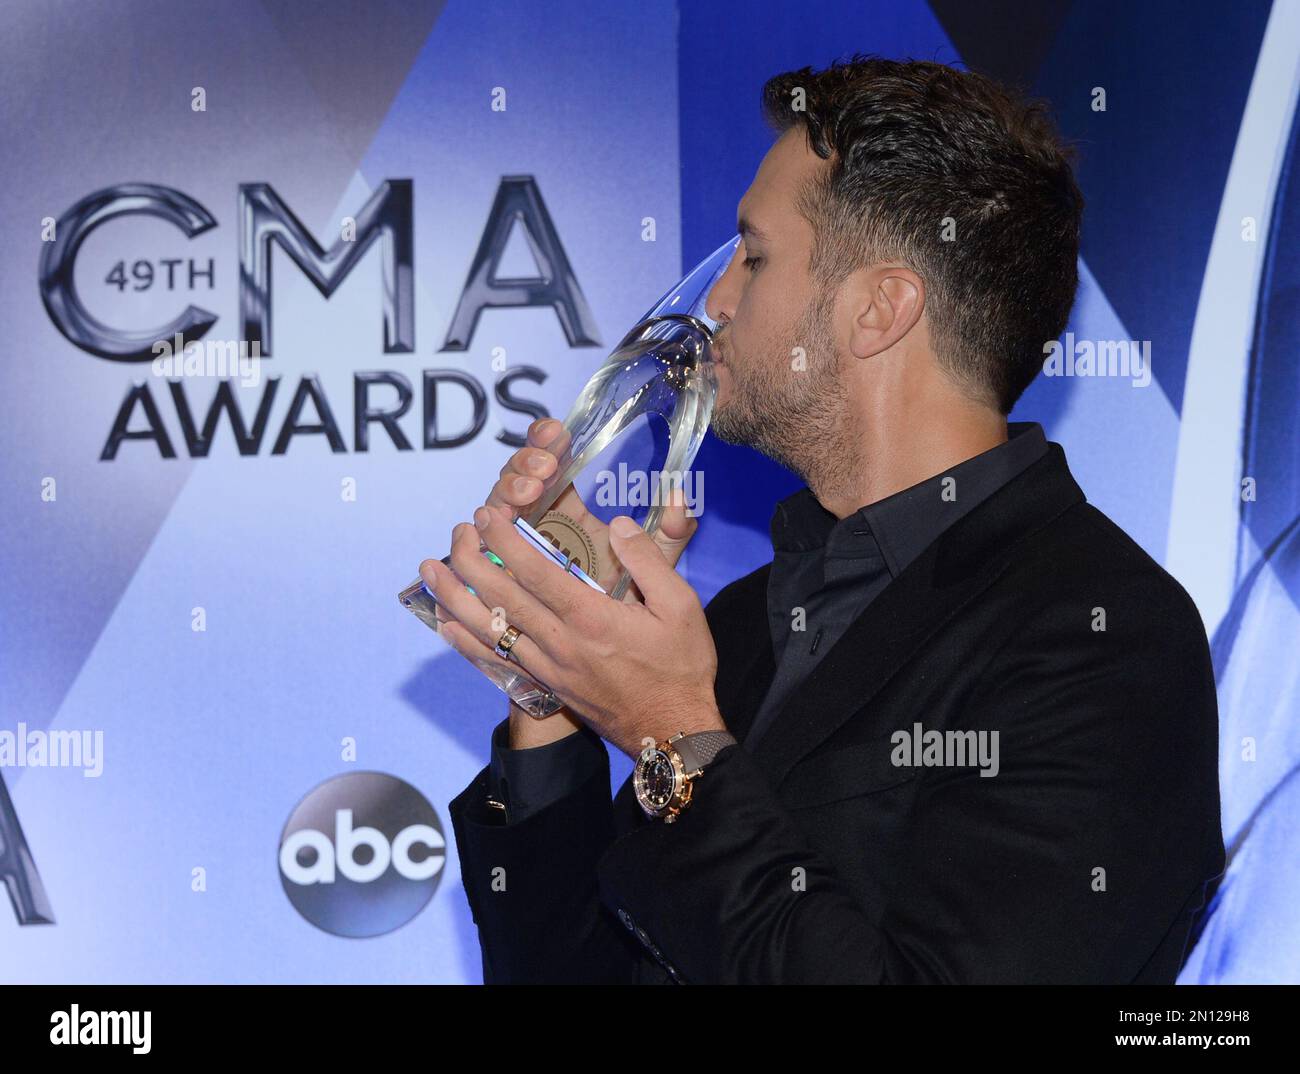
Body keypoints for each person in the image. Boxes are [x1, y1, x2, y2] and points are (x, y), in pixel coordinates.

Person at [420, 55, 1225, 984]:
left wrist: (672, 738)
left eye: (753, 258)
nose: (713, 306)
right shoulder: (731, 629)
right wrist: (552, 686)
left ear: (879, 309)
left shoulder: (1100, 636)